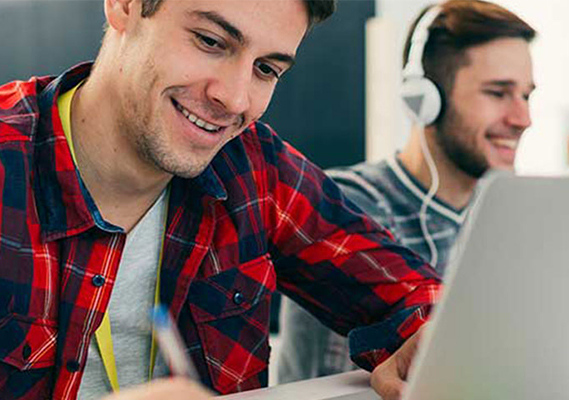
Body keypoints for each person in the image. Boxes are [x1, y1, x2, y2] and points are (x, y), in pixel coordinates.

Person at [0, 1, 442, 399]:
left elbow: (420, 299)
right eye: (211, 41)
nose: (233, 98)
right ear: (124, 6)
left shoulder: (254, 167)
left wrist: (429, 343)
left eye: (266, 69)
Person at [278, 0, 536, 385]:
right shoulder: (351, 207)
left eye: (527, 96)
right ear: (424, 99)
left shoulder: (508, 221)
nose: (522, 119)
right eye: (498, 93)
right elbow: (334, 385)